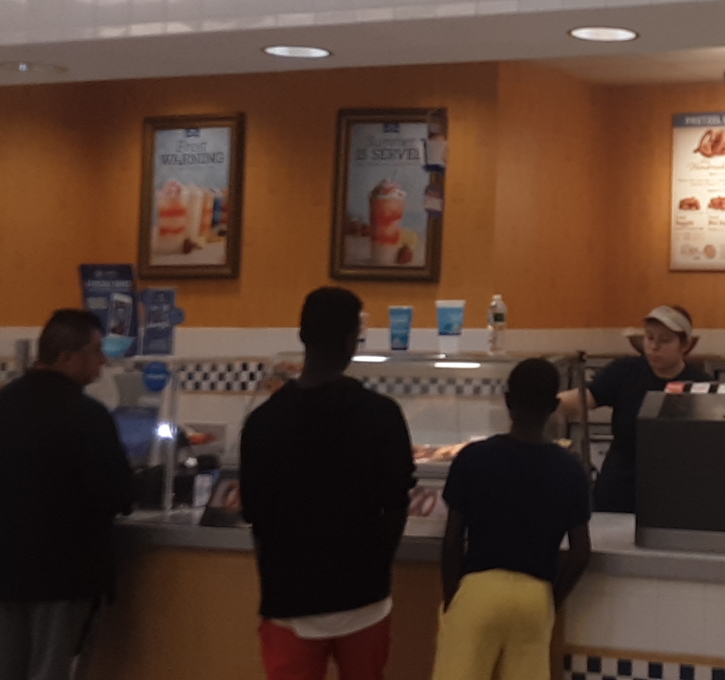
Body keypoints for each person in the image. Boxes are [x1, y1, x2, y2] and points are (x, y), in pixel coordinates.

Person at [241, 287, 416, 680]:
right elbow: (397, 503)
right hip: (365, 600)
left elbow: (256, 516)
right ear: (352, 341)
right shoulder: (382, 415)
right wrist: (376, 565)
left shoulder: (263, 423)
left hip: (288, 605)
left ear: (302, 336)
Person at [0, 308, 136, 680]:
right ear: (67, 356)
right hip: (66, 576)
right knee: (50, 669)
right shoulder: (87, 415)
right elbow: (119, 495)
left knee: (4, 670)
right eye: (96, 350)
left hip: (7, 572)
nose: (103, 361)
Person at [434, 357, 592, 680]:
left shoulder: (474, 458)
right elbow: (580, 552)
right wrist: (552, 600)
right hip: (535, 595)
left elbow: (452, 539)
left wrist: (452, 596)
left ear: (507, 401)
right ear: (554, 407)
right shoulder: (570, 469)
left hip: (477, 590)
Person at [557, 305, 707, 512]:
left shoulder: (700, 386)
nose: (654, 347)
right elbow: (583, 399)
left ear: (685, 345)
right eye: (649, 337)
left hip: (673, 492)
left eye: (665, 340)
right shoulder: (626, 371)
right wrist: (542, 403)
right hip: (618, 491)